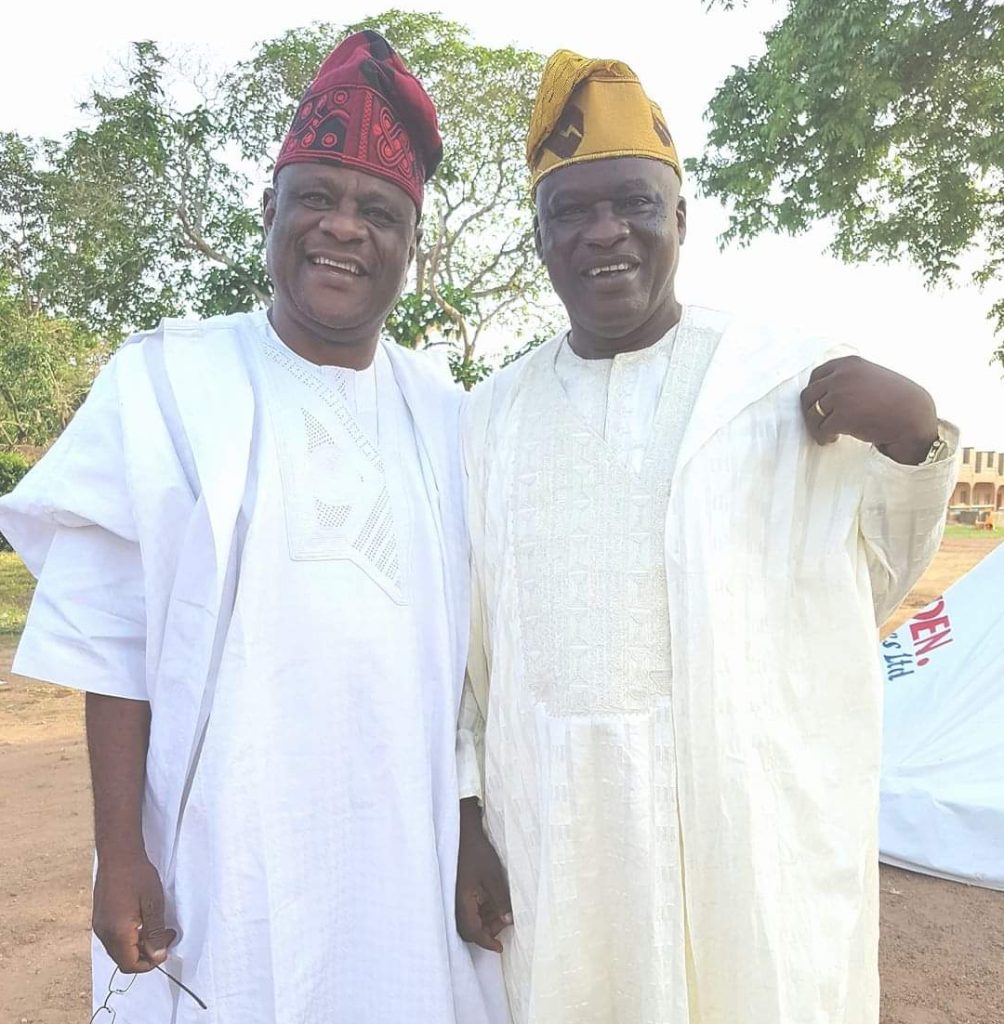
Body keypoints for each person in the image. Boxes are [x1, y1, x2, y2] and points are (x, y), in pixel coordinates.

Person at [0, 31, 504, 1024]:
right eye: (316, 196)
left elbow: (465, 669)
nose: (343, 227)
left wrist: (469, 828)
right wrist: (119, 851)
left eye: (379, 212)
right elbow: (111, 637)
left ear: (412, 244)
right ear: (269, 209)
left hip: (402, 857)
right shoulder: (165, 382)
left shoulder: (448, 415)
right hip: (218, 857)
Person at [455, 48, 959, 1024]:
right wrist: (468, 816)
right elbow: (470, 647)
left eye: (634, 204)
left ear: (680, 219)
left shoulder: (778, 383)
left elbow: (876, 575)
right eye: (572, 211)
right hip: (565, 830)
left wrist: (913, 437)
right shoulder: (489, 417)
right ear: (540, 237)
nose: (605, 232)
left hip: (744, 826)